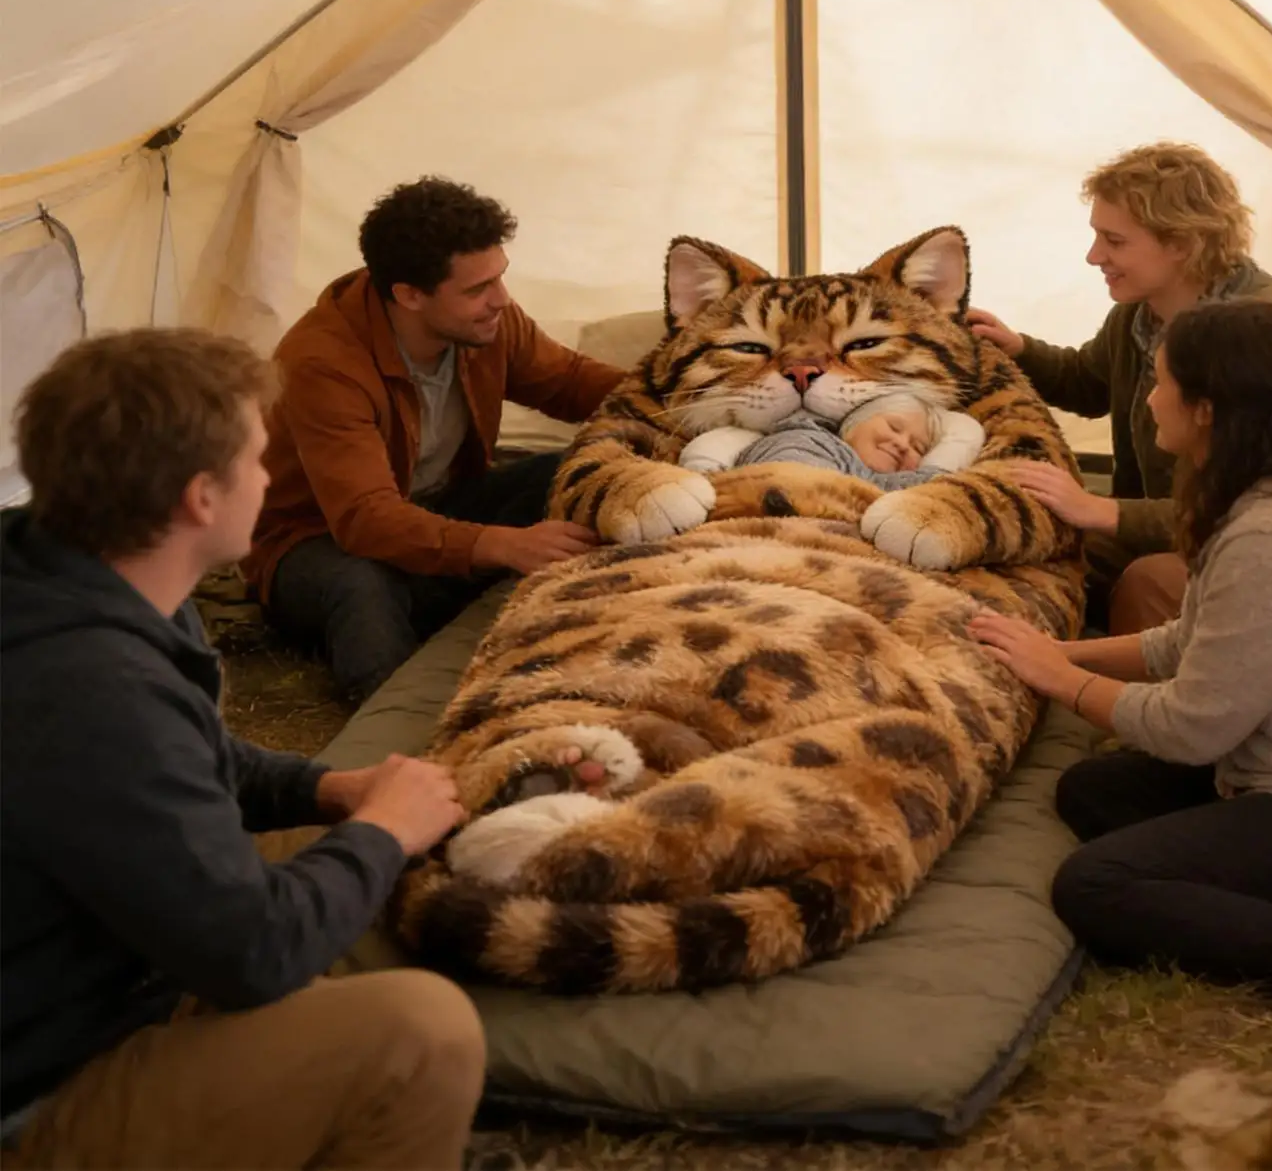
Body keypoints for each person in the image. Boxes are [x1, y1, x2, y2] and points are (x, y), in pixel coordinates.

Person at [1, 329, 488, 1169]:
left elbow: (186, 756)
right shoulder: (90, 687)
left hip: (72, 973)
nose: (268, 479)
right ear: (201, 497)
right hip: (38, 1083)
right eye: (258, 460)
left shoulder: (75, 571)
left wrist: (330, 790)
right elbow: (253, 954)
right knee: (424, 1030)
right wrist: (383, 829)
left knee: (319, 846)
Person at [969, 300, 1272, 1010]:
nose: (1148, 397)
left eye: (1161, 381)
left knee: (1094, 883)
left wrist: (1062, 680)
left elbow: (1190, 728)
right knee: (1092, 791)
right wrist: (1057, 651)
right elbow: (1183, 643)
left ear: (1205, 409)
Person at [248, 177, 626, 701]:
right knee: (362, 588)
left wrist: (685, 397)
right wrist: (500, 544)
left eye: (500, 277)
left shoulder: (486, 322)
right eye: (477, 289)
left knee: (573, 470)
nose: (501, 299)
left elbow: (568, 382)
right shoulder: (323, 362)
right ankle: (405, 723)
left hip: (440, 509)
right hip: (318, 541)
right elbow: (365, 519)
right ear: (409, 295)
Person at [967, 142, 1272, 633]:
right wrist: (1018, 348)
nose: (1094, 256)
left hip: (1240, 542)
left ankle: (1104, 679)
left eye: (1114, 241)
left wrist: (1103, 511)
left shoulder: (1259, 335)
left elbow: (1248, 508)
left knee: (1148, 583)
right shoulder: (1139, 314)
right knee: (1027, 550)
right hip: (1164, 525)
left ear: (1181, 243)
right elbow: (1088, 383)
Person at [679, 391, 986, 488]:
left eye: (919, 447)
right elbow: (801, 492)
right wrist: (936, 480)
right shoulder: (804, 441)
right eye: (894, 426)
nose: (903, 444)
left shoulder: (866, 476)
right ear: (853, 425)